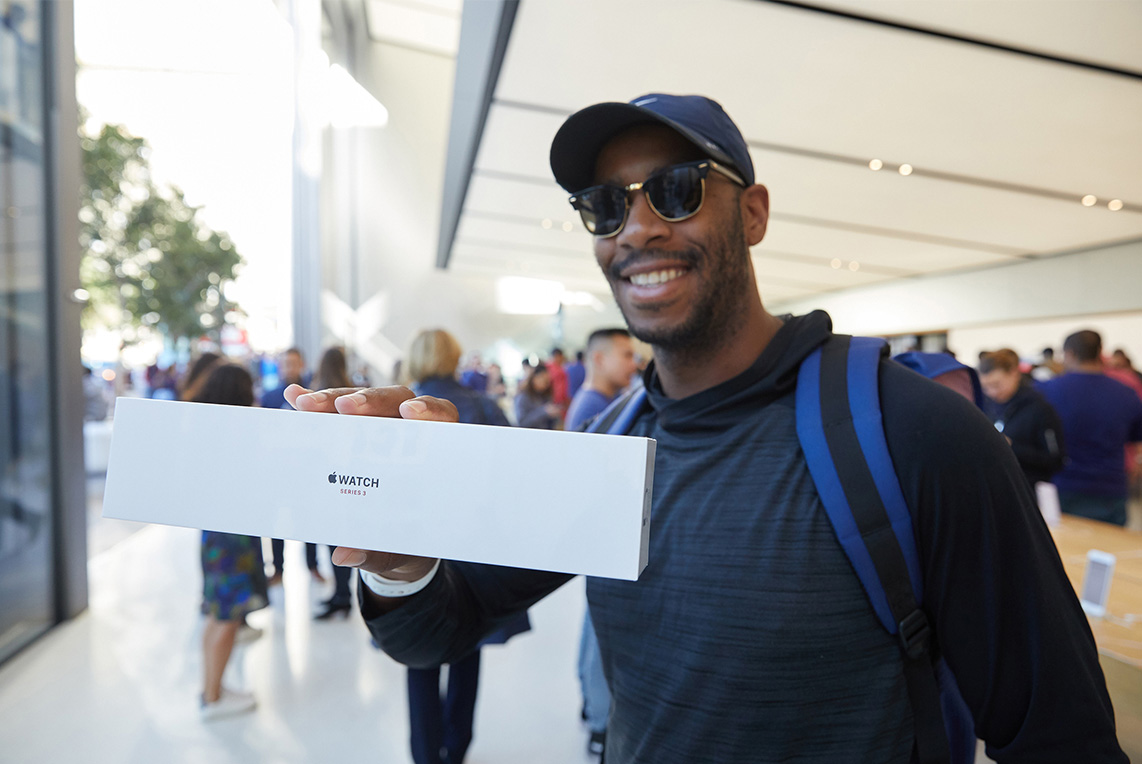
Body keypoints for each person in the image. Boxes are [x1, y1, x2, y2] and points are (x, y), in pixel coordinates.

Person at [287, 94, 1125, 763]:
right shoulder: (603, 454)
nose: (639, 227)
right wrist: (397, 555)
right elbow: (437, 630)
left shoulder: (915, 436)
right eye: (606, 206)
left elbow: (1059, 736)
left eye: (677, 190)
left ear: (752, 214)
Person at [400, 329, 530, 764]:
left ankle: (424, 753)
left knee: (419, 656)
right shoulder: (485, 407)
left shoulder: (398, 410)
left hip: (414, 553)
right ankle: (456, 750)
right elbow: (514, 479)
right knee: (467, 653)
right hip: (474, 553)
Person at [564, 327, 638, 756]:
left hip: (609, 534)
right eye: (626, 355)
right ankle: (597, 720)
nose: (633, 363)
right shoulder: (595, 410)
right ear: (599, 358)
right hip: (604, 535)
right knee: (598, 631)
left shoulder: (606, 405)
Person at [194, 364, 268, 720]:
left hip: (214, 535)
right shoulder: (240, 430)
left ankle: (212, 689)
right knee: (226, 619)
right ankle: (213, 696)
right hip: (232, 540)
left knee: (215, 615)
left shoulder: (205, 428)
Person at [1039, 330, 1142, 526]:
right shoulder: (1126, 392)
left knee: (1062, 550)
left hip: (1063, 483)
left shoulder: (1047, 390)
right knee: (1110, 551)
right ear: (1100, 352)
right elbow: (1137, 445)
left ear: (1069, 354)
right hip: (1111, 486)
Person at [260, 347, 321, 588]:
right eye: (285, 364)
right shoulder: (270, 396)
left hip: (307, 469)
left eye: (293, 363)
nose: (289, 368)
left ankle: (313, 566)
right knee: (276, 522)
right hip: (279, 469)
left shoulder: (314, 396)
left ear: (302, 364)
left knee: (308, 520)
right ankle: (277, 569)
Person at [978, 349, 1065, 489]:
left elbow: (1055, 460)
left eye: (996, 384)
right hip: (996, 486)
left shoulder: (1039, 408)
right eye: (986, 387)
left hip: (1029, 489)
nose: (992, 392)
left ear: (1014, 374)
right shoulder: (986, 405)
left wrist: (1012, 447)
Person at [311, 347, 355, 619]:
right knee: (344, 540)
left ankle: (342, 596)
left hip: (323, 478)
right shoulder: (353, 394)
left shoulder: (317, 396)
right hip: (347, 476)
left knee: (332, 540)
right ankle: (343, 594)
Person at [514, 362, 560, 429]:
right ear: (533, 379)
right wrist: (544, 412)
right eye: (542, 379)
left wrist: (554, 415)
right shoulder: (523, 397)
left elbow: (550, 424)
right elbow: (522, 423)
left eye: (547, 381)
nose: (545, 384)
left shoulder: (545, 395)